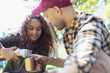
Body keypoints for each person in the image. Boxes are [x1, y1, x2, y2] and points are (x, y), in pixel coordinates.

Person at [30, 0, 110, 73]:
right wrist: (48, 60)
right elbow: (72, 61)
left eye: (47, 17)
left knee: (98, 58)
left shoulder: (90, 25)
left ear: (57, 11)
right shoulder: (68, 32)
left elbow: (82, 60)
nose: (49, 22)